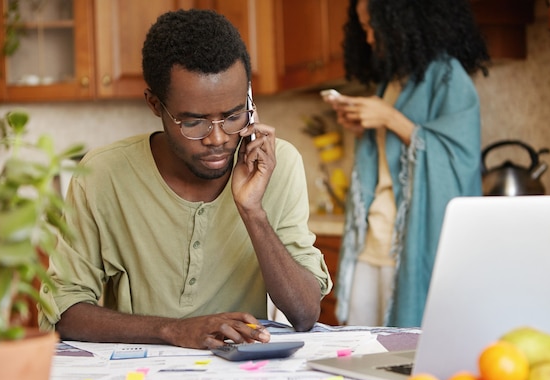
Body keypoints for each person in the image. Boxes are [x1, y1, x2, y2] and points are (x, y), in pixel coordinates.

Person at [39, 9, 331, 349]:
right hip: (136, 375)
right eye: (194, 122)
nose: (218, 138)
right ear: (154, 104)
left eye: (234, 115)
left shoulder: (276, 165)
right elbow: (63, 312)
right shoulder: (102, 174)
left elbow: (305, 312)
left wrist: (253, 210)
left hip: (240, 376)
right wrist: (174, 330)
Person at [324, 0, 490, 327]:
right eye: (364, 29)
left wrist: (388, 117)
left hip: (411, 244)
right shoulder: (392, 82)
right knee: (360, 348)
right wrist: (365, 128)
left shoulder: (447, 75)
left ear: (401, 20)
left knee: (400, 353)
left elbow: (461, 157)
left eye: (373, 25)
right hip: (372, 238)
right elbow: (397, 154)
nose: (369, 38)